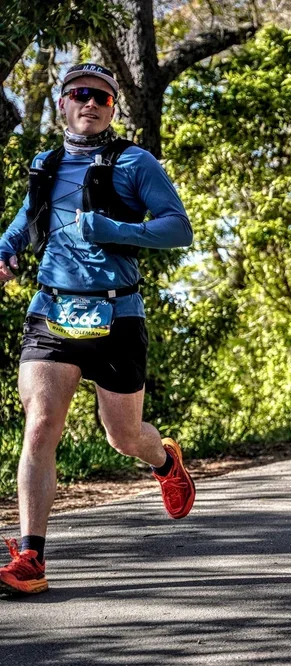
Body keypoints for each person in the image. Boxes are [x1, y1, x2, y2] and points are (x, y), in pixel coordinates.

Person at [0, 64, 196, 596]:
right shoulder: (46, 163)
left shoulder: (135, 162)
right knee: (41, 425)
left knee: (123, 437)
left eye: (102, 98)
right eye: (80, 95)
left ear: (113, 109)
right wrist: (6, 249)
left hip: (117, 313)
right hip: (52, 310)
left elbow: (179, 228)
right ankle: (32, 558)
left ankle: (163, 459)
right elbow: (24, 221)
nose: (91, 104)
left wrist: (114, 229)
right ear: (63, 104)